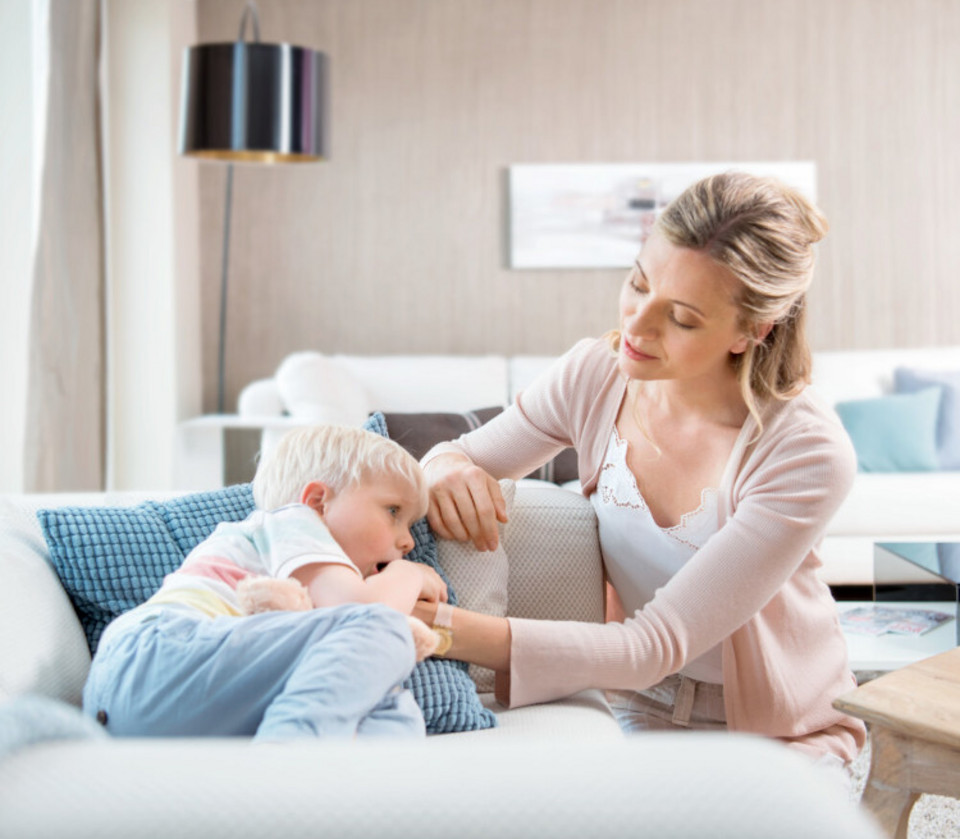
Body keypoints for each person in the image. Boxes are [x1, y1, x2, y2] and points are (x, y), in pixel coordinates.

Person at [417, 171, 866, 769]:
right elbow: (464, 454)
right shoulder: (595, 375)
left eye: (681, 318)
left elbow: (655, 644)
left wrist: (431, 627)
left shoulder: (805, 453)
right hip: (634, 700)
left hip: (776, 727)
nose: (636, 326)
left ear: (752, 330)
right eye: (637, 283)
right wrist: (443, 465)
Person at [82, 424, 448, 740]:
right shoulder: (294, 522)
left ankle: (344, 786)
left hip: (160, 702)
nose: (408, 542)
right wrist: (408, 574)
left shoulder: (303, 590)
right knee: (386, 630)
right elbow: (362, 609)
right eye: (393, 512)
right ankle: (287, 767)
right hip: (156, 653)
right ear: (319, 501)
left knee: (395, 706)